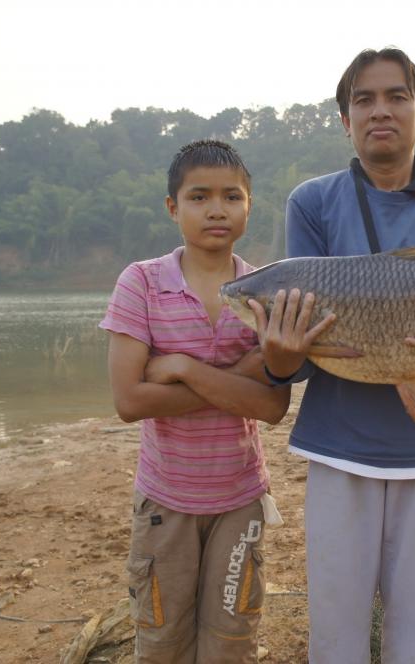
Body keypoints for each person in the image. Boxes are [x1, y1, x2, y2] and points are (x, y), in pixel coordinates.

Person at [249, 48, 415, 663]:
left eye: (395, 97)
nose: (380, 110)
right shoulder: (313, 202)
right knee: (336, 633)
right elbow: (296, 363)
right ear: (344, 119)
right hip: (338, 447)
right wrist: (278, 358)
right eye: (363, 99)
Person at [100, 139, 290, 663]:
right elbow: (131, 400)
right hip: (165, 501)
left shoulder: (266, 291)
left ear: (249, 206)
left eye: (231, 197)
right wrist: (236, 379)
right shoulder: (140, 282)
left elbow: (273, 408)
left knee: (231, 643)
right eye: (199, 196)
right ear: (172, 207)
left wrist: (183, 368)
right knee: (162, 642)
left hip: (239, 497)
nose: (216, 209)